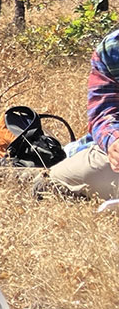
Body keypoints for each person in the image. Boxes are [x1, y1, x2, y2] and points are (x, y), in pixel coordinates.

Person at [46, 25, 119, 200]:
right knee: (91, 174)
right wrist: (114, 141)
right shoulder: (112, 49)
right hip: (108, 162)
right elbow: (103, 112)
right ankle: (40, 177)